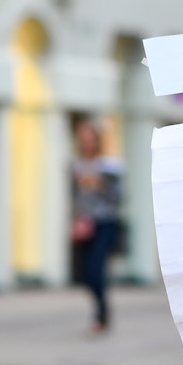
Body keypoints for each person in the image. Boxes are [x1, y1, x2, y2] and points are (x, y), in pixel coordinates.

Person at [71, 119, 123, 333]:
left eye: (89, 137)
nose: (86, 142)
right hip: (84, 224)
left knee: (95, 268)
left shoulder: (108, 166)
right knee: (83, 272)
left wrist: (100, 184)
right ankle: (101, 305)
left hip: (104, 222)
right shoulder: (76, 165)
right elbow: (73, 197)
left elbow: (119, 197)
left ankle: (102, 313)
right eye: (82, 138)